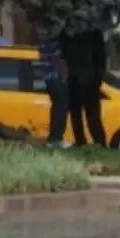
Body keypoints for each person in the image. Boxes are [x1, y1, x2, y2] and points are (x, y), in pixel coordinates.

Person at [60, 28, 106, 147]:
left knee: (90, 115)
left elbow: (100, 58)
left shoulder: (92, 34)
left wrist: (97, 79)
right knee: (78, 114)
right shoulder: (68, 33)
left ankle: (98, 141)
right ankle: (83, 140)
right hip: (77, 80)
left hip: (87, 80)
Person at [31, 13, 68, 147]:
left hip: (46, 76)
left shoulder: (42, 39)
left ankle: (54, 138)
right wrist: (63, 76)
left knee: (57, 106)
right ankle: (55, 138)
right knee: (61, 106)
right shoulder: (54, 40)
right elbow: (58, 59)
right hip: (55, 76)